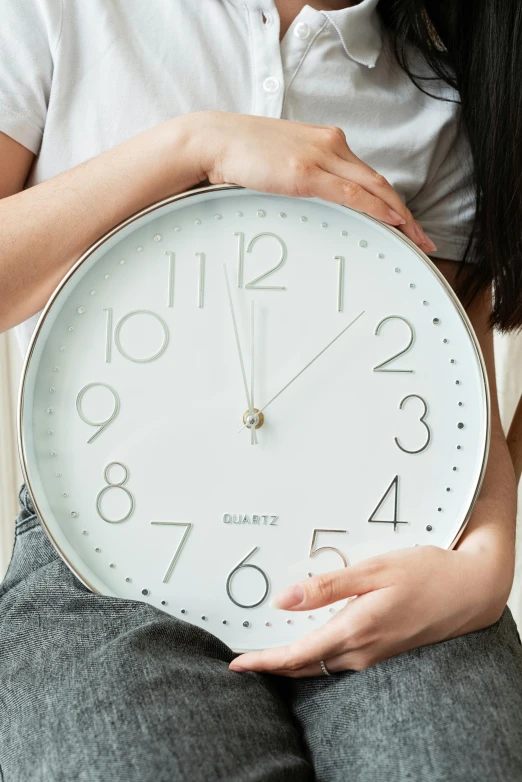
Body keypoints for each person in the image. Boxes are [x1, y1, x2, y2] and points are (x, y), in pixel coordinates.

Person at [0, 1, 521, 780]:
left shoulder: (440, 81)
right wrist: (193, 146)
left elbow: (453, 401)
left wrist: (486, 564)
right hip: (97, 554)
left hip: (385, 558)